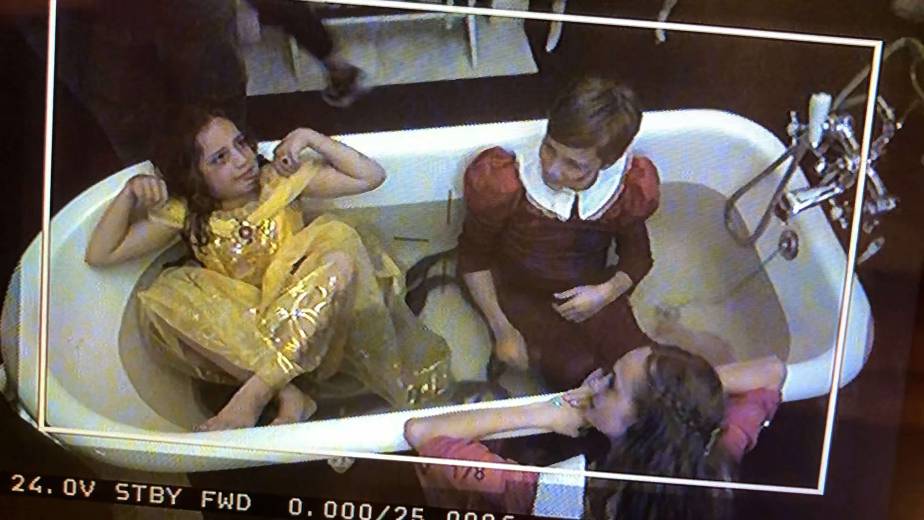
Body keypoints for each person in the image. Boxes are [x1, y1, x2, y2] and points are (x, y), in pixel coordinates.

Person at [85, 106, 453, 431]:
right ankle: (288, 393)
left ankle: (257, 393)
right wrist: (130, 193)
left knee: (339, 248)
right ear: (192, 175)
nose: (243, 160)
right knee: (165, 294)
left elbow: (370, 176)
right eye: (220, 158)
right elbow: (102, 254)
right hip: (251, 331)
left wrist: (310, 137)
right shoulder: (187, 213)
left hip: (317, 321)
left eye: (241, 144)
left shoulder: (279, 182)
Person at [404, 345, 786, 519]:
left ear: (642, 426)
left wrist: (549, 413)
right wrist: (675, 394)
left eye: (611, 384)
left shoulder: (555, 498)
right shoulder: (714, 453)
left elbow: (423, 431)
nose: (596, 383)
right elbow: (772, 371)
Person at [457, 76, 660, 391]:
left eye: (574, 165)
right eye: (549, 149)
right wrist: (503, 330)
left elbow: (638, 258)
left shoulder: (624, 191)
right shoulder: (506, 182)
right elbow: (473, 258)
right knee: (576, 373)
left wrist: (605, 293)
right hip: (520, 292)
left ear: (607, 163)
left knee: (646, 367)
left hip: (590, 288)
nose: (552, 169)